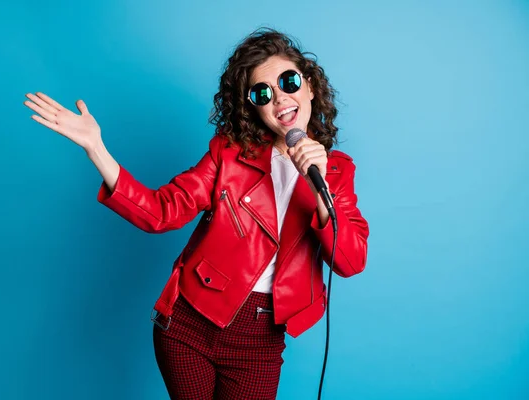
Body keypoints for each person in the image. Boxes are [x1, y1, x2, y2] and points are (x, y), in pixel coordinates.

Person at [24, 27, 369, 400]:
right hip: (188, 327)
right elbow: (160, 212)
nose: (280, 98)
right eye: (262, 93)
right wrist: (96, 148)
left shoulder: (337, 171)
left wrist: (320, 189)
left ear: (310, 86)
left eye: (289, 81)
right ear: (252, 106)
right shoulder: (229, 155)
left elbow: (349, 261)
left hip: (260, 339)